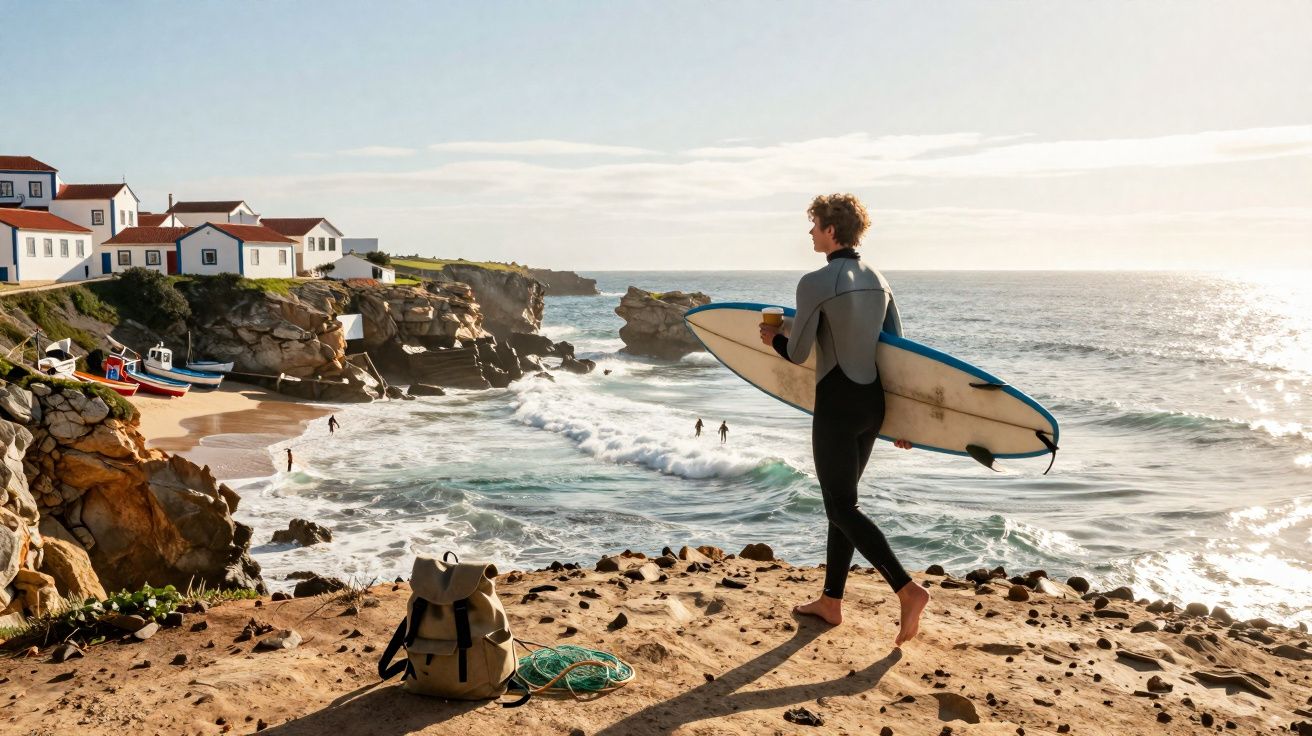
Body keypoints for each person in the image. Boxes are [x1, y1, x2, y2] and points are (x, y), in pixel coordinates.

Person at [758, 193, 929, 647]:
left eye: (814, 225)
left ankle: (908, 590)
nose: (810, 233)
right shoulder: (879, 280)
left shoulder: (815, 281)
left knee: (840, 506)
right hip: (872, 405)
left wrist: (772, 337)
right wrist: (903, 424)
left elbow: (797, 353)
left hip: (835, 402)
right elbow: (899, 355)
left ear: (831, 230)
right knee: (843, 502)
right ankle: (831, 602)